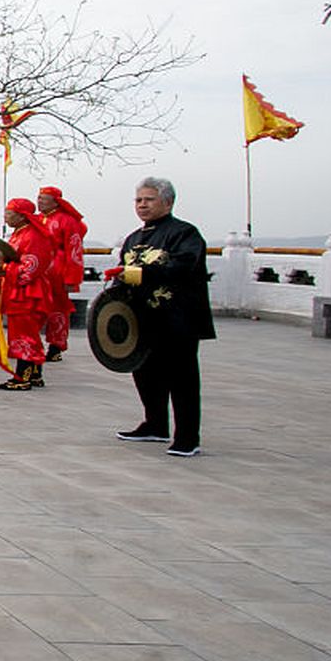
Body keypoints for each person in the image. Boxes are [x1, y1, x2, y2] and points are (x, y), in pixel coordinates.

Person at [110, 177, 213, 457]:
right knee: (144, 372)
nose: (142, 205)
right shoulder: (134, 238)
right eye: (138, 200)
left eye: (149, 199)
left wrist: (136, 274)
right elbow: (124, 271)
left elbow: (183, 268)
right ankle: (155, 424)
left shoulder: (185, 234)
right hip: (142, 319)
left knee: (182, 379)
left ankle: (188, 437)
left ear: (167, 202)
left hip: (177, 317)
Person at [0, 200, 58, 390]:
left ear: (21, 215)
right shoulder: (20, 234)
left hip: (29, 293)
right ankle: (35, 374)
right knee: (27, 333)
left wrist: (3, 266)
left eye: (9, 213)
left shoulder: (34, 236)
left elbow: (30, 270)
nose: (6, 216)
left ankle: (22, 377)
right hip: (17, 291)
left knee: (24, 335)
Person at [36, 186, 87, 362]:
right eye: (39, 197)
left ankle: (56, 345)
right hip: (37, 271)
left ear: (55, 201)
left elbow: (74, 251)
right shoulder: (36, 220)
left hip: (57, 271)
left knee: (57, 309)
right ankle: (30, 343)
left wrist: (71, 278)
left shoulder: (66, 221)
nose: (39, 201)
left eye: (43, 198)